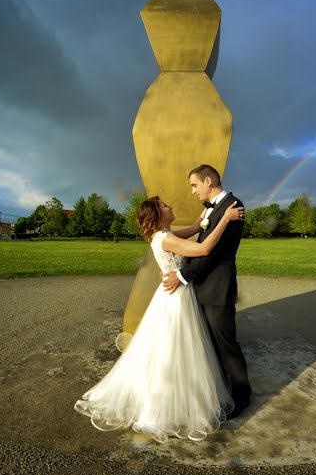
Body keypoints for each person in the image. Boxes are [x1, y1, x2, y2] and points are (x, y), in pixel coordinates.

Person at [74, 194, 245, 443]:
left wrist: (210, 210)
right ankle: (161, 407)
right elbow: (204, 249)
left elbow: (197, 228)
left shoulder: (167, 234)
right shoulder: (165, 238)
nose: (171, 205)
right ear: (157, 214)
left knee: (176, 348)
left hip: (175, 295)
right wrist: (226, 218)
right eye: (165, 206)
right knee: (173, 349)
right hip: (176, 299)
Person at [162, 164, 252, 419]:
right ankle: (221, 388)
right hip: (203, 285)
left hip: (217, 287)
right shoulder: (212, 209)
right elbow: (198, 238)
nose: (193, 191)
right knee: (210, 341)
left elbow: (214, 253)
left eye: (194, 185)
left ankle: (242, 396)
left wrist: (181, 275)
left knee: (226, 343)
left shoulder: (233, 207)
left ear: (208, 180)